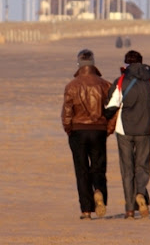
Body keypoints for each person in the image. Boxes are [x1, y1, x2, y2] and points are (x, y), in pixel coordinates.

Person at [104, 50, 150, 219]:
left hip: (124, 130)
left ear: (126, 64)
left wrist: (106, 118)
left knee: (127, 169)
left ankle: (129, 210)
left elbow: (110, 107)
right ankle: (140, 193)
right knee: (142, 166)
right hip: (146, 130)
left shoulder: (121, 81)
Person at [61, 49, 113, 220]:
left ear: (79, 64)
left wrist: (69, 129)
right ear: (93, 63)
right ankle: (99, 193)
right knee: (98, 168)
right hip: (99, 130)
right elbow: (113, 111)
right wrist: (108, 128)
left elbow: (67, 112)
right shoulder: (105, 85)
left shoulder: (72, 85)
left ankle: (86, 210)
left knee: (81, 170)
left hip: (78, 131)